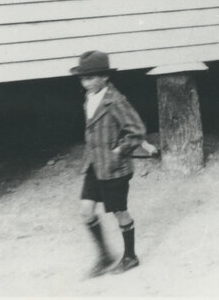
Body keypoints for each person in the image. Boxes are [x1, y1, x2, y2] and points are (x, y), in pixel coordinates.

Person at [72, 50, 155, 276]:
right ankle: (104, 255)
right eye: (82, 78)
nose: (86, 83)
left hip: (114, 167)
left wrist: (120, 150)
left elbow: (137, 131)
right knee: (85, 211)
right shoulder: (90, 98)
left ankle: (130, 257)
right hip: (94, 164)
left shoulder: (116, 101)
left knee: (119, 212)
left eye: (90, 78)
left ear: (105, 77)